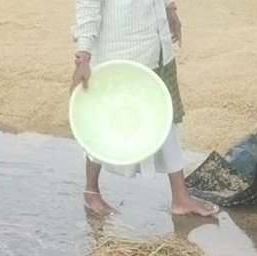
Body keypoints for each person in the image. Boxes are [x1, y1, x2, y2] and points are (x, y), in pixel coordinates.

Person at [71, 0, 218, 218]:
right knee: (102, 123)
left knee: (168, 118)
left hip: (157, 48)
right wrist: (83, 57)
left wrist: (170, 8)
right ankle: (91, 192)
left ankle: (180, 197)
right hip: (122, 54)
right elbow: (88, 7)